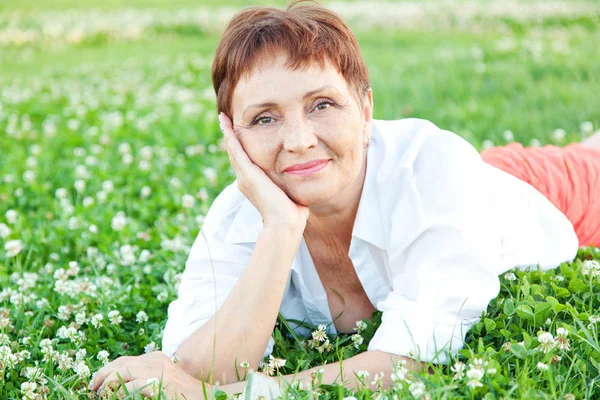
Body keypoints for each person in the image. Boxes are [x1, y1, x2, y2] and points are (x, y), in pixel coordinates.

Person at [88, 1, 600, 398]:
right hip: (447, 181)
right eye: (264, 118)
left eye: (322, 104)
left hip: (543, 194)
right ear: (233, 137)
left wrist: (231, 396)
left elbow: (413, 361)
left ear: (366, 107)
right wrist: (281, 230)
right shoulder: (238, 214)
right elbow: (197, 366)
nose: (299, 140)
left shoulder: (438, 171)